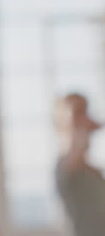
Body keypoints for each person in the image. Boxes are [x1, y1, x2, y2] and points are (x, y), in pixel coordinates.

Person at [54, 93, 105, 236]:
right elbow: (77, 148)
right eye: (79, 112)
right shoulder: (65, 166)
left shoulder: (93, 171)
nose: (86, 117)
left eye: (86, 111)